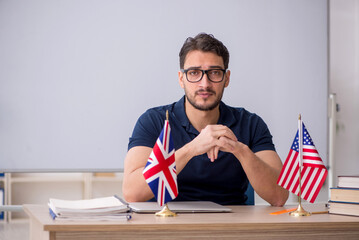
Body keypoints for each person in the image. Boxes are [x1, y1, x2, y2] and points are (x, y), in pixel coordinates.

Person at [122, 33, 289, 206]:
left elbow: (279, 196)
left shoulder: (251, 124)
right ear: (181, 79)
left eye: (214, 73)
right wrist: (192, 148)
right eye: (194, 73)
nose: (205, 84)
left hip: (232, 226)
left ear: (226, 78)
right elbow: (132, 192)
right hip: (167, 224)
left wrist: (239, 149)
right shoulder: (153, 121)